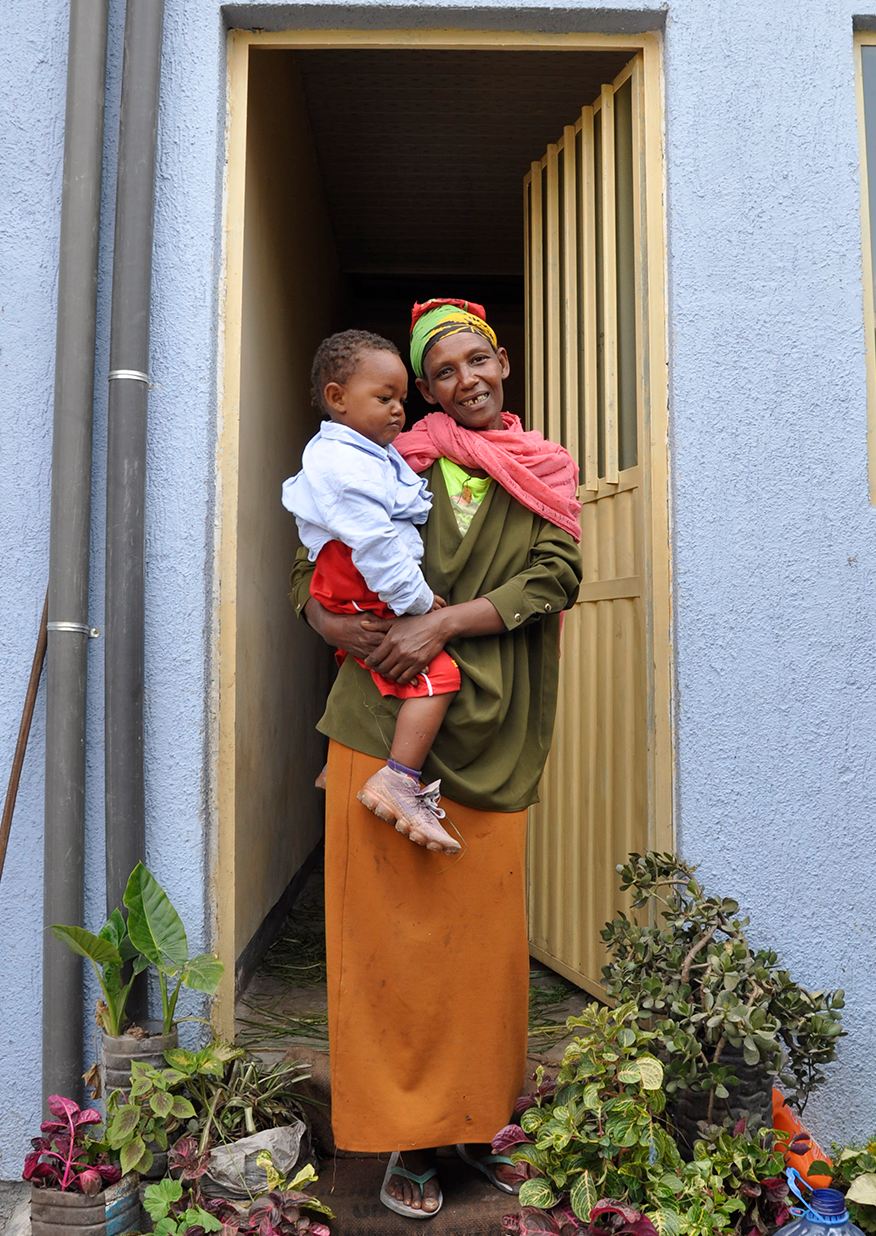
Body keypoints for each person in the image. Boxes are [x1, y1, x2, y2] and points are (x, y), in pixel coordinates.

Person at [291, 298, 582, 1218]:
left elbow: (556, 576)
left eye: (478, 361)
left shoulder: (544, 473)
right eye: (446, 372)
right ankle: (400, 1141)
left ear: (504, 360)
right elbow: (314, 566)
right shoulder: (383, 457)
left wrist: (439, 625)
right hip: (378, 722)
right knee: (385, 945)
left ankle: (474, 1125)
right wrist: (326, 616)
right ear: (424, 391)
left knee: (478, 952)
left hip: (488, 733)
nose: (470, 382)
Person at [282, 330, 461, 854]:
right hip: (359, 579)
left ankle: (334, 769)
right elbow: (378, 545)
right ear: (337, 398)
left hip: (351, 581)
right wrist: (422, 604)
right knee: (439, 677)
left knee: (365, 656)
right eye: (385, 398)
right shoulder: (345, 465)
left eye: (402, 398)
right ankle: (399, 779)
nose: (398, 410)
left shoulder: (365, 454)